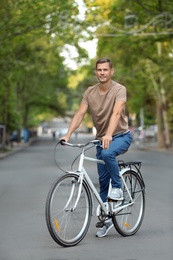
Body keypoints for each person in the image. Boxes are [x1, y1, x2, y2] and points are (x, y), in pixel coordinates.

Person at [60, 58, 132, 237]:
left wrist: (108, 133)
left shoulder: (119, 89)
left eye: (105, 70)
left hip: (120, 136)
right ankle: (107, 219)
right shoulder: (89, 92)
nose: (102, 73)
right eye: (99, 70)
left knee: (108, 154)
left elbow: (116, 112)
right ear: (96, 72)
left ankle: (118, 188)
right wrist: (67, 135)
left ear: (111, 71)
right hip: (101, 139)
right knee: (102, 182)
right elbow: (80, 114)